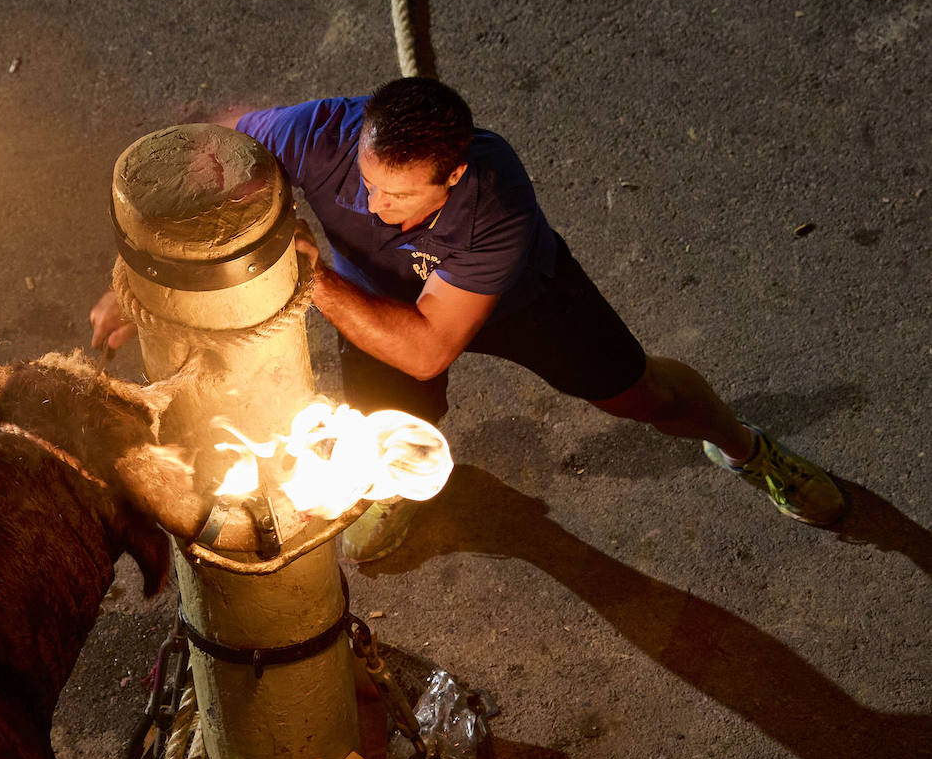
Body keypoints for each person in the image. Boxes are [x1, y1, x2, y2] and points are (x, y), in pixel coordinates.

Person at [91, 78, 846, 562]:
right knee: (382, 430)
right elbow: (206, 159)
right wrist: (134, 273)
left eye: (398, 198)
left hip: (520, 306)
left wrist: (314, 275)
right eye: (366, 182)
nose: (374, 206)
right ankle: (392, 491)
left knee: (649, 398)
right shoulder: (318, 133)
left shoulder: (497, 206)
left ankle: (744, 447)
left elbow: (427, 347)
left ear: (452, 175)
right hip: (377, 304)